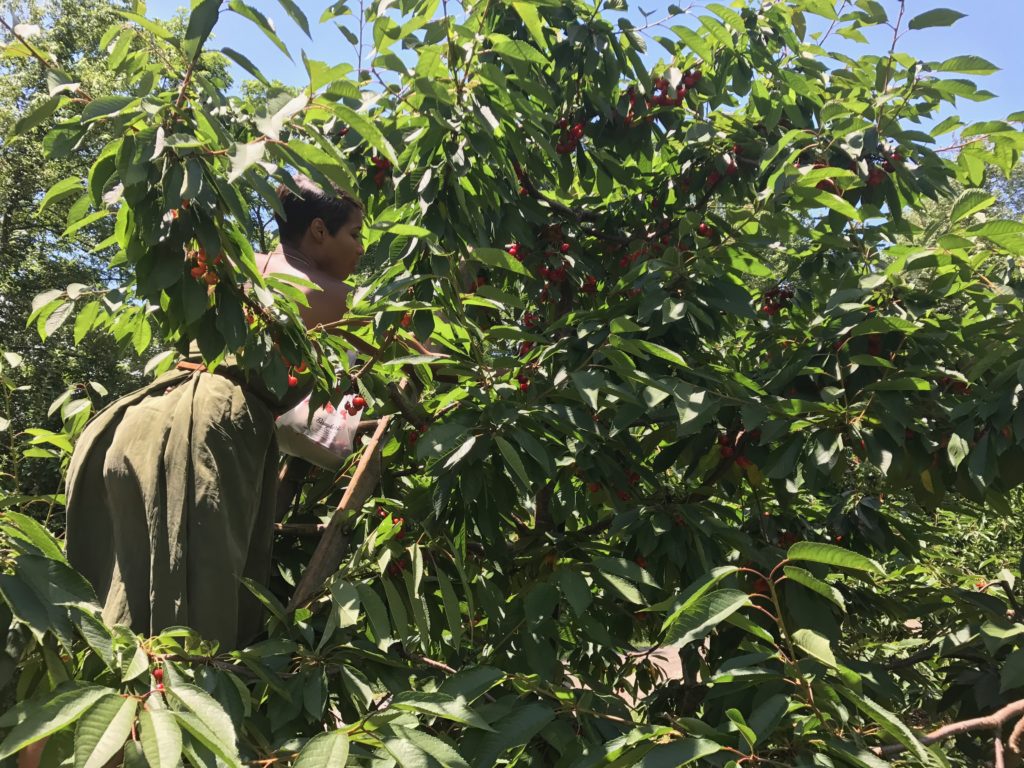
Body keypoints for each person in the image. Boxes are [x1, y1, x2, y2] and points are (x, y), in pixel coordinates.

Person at [64, 175, 364, 650]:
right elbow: (418, 352)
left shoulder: (238, 273)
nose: (361, 249)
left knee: (128, 582)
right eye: (356, 234)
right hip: (214, 423)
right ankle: (185, 707)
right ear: (320, 231)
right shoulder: (333, 296)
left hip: (143, 415)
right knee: (199, 601)